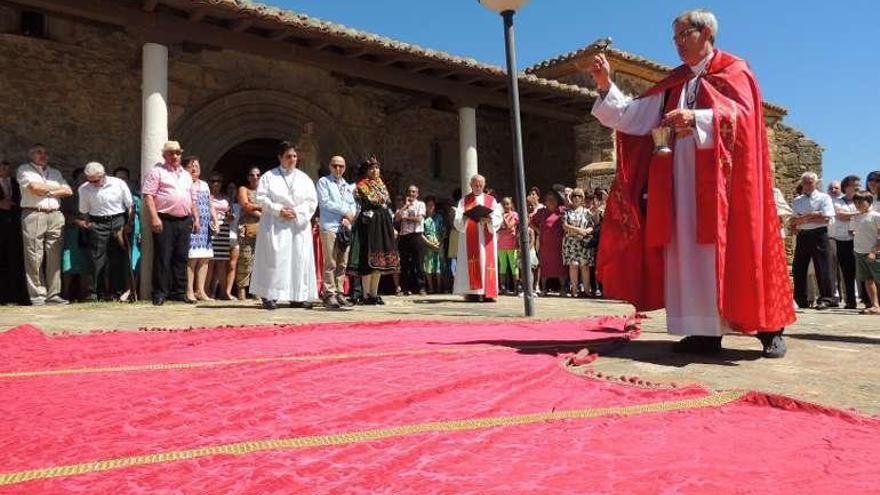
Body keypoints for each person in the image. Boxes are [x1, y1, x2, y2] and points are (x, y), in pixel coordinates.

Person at [587, 9, 794, 357]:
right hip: (681, 187)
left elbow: (745, 121)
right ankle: (704, 331)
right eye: (675, 38)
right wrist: (606, 84)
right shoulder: (676, 82)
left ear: (706, 33)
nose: (678, 43)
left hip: (726, 189)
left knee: (740, 249)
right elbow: (634, 116)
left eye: (684, 35)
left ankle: (768, 328)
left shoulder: (734, 69)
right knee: (689, 254)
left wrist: (696, 118)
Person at [250, 142, 318, 310]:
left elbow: (311, 201)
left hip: (297, 225)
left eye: (294, 156)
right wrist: (278, 210)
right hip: (275, 224)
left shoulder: (304, 178)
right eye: (288, 156)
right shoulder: (268, 177)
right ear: (280, 157)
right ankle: (269, 295)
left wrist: (296, 211)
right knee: (274, 260)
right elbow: (261, 198)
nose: (292, 159)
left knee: (298, 259)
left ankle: (297, 296)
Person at [142, 140, 199, 306]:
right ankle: (160, 293)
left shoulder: (186, 175)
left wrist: (195, 218)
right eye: (171, 153)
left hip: (184, 219)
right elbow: (148, 196)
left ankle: (179, 292)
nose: (175, 156)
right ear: (164, 155)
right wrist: (154, 217)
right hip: (165, 219)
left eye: (178, 153)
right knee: (163, 257)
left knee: (181, 257)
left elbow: (192, 198)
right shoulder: (157, 172)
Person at [17, 144, 73, 305]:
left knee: (55, 255)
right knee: (34, 255)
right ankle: (38, 295)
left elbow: (68, 191)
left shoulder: (55, 172)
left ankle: (53, 294)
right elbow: (34, 187)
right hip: (35, 213)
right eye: (39, 152)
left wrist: (46, 190)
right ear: (31, 155)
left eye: (45, 152)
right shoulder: (24, 170)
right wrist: (56, 189)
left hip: (55, 214)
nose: (43, 155)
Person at [77, 161, 133, 301]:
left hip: (118, 220)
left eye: (96, 180)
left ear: (103, 175)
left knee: (117, 258)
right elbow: (84, 211)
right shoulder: (84, 189)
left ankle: (116, 292)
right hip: (97, 222)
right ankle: (97, 293)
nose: (93, 184)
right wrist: (90, 225)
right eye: (90, 181)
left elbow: (130, 205)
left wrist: (128, 223)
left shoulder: (118, 183)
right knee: (97, 259)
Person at [348, 156, 400, 305]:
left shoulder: (382, 185)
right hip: (368, 224)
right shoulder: (362, 185)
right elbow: (373, 201)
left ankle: (374, 293)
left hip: (382, 223)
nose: (375, 170)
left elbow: (386, 205)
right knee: (367, 260)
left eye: (376, 168)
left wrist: (391, 227)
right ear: (366, 171)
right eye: (371, 168)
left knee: (380, 261)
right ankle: (365, 294)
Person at [453, 174, 503, 302]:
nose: (478, 186)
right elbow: (458, 220)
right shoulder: (464, 201)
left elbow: (498, 217)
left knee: (486, 262)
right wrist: (466, 217)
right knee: (474, 262)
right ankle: (473, 293)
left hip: (486, 237)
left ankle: (488, 292)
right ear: (471, 185)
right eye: (475, 184)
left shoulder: (491, 200)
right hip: (470, 236)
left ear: (484, 185)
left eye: (480, 184)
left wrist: (489, 220)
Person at [791, 172, 837, 309]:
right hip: (803, 234)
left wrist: (804, 217)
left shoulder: (824, 198)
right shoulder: (797, 200)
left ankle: (826, 298)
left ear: (816, 183)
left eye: (810, 182)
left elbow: (826, 217)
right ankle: (800, 298)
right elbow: (794, 221)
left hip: (819, 234)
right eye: (805, 182)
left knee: (823, 267)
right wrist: (813, 215)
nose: (807, 184)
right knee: (799, 267)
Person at [316, 155, 357, 309]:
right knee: (330, 262)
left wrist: (349, 218)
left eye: (341, 166)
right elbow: (325, 202)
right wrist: (345, 211)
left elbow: (353, 205)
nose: (338, 168)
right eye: (335, 165)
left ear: (344, 168)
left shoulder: (347, 186)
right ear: (330, 166)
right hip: (330, 226)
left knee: (342, 262)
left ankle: (340, 292)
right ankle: (329, 294)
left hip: (344, 227)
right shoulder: (324, 182)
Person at [184, 157, 218, 302]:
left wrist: (215, 220)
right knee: (192, 259)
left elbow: (210, 204)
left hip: (205, 227)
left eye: (197, 166)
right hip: (192, 225)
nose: (194, 168)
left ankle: (201, 291)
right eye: (191, 166)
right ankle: (189, 291)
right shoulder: (184, 184)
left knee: (204, 259)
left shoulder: (204, 184)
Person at [0, 159, 28, 305]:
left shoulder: (16, 184)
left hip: (14, 228)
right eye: (1, 165)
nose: (4, 168)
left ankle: (16, 296)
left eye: (6, 165)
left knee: (15, 261)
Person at [832, 176, 862, 309]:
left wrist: (852, 214)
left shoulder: (862, 200)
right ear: (846, 187)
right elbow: (840, 216)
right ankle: (851, 301)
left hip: (860, 240)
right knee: (847, 272)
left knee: (863, 272)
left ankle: (867, 300)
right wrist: (859, 213)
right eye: (855, 185)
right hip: (843, 240)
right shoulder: (837, 201)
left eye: (858, 184)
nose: (858, 187)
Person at [114, 167, 141, 302]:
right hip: (115, 232)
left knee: (133, 262)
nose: (121, 181)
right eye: (118, 178)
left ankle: (131, 290)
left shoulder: (135, 197)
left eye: (124, 178)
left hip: (134, 233)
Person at [531, 190, 566, 295]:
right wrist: (538, 230)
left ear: (557, 201)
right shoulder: (541, 212)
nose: (550, 202)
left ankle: (563, 288)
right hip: (545, 245)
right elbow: (531, 222)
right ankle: (544, 288)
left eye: (552, 200)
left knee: (560, 266)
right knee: (545, 266)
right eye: (548, 200)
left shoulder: (561, 210)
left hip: (559, 244)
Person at [235, 166, 262, 300]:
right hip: (248, 228)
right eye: (252, 175)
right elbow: (246, 206)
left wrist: (255, 206)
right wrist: (262, 214)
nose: (255, 177)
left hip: (263, 231)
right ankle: (241, 291)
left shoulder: (264, 192)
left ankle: (257, 290)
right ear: (248, 177)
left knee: (260, 261)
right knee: (245, 259)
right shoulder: (243, 189)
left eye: (258, 175)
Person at [562, 188, 595, 298]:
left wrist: (586, 231)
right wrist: (579, 230)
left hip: (583, 242)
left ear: (582, 199)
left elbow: (592, 226)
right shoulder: (567, 212)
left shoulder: (587, 212)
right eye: (575, 196)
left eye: (579, 196)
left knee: (584, 266)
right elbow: (565, 226)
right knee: (574, 265)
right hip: (571, 242)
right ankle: (574, 290)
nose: (576, 198)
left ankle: (586, 290)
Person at [851, 191, 880, 314]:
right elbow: (852, 231)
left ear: (869, 202)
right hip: (859, 252)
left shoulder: (876, 216)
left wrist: (874, 251)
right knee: (868, 280)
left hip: (874, 252)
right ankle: (875, 305)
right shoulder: (856, 217)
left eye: (861, 201)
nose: (858, 204)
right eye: (856, 202)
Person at [396, 184, 427, 296]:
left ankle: (421, 288)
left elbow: (419, 219)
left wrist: (406, 218)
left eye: (413, 192)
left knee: (418, 263)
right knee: (404, 264)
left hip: (416, 236)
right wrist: (405, 206)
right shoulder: (403, 206)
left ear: (417, 194)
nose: (411, 194)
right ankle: (404, 288)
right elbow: (396, 218)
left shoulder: (421, 204)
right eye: (409, 192)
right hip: (404, 237)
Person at [206, 173, 234, 300]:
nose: (215, 183)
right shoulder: (206, 196)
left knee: (222, 262)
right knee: (210, 262)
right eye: (213, 181)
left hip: (223, 229)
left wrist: (229, 216)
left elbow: (229, 213)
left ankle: (222, 291)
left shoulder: (226, 198)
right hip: (210, 228)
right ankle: (207, 291)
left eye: (218, 181)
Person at [497, 197, 520, 295]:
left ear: (511, 205)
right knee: (502, 267)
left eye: (507, 204)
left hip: (511, 245)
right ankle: (503, 287)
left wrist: (503, 218)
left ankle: (516, 287)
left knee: (513, 266)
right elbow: (497, 229)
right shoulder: (499, 215)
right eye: (503, 204)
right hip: (501, 245)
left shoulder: (514, 215)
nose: (505, 206)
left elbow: (509, 226)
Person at [422, 196, 444, 294]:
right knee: (428, 265)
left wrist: (440, 242)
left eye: (432, 205)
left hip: (438, 243)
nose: (431, 207)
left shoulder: (439, 217)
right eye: (428, 205)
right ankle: (430, 287)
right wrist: (429, 243)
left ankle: (439, 287)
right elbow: (421, 233)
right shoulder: (423, 218)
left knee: (438, 265)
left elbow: (444, 231)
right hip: (427, 244)